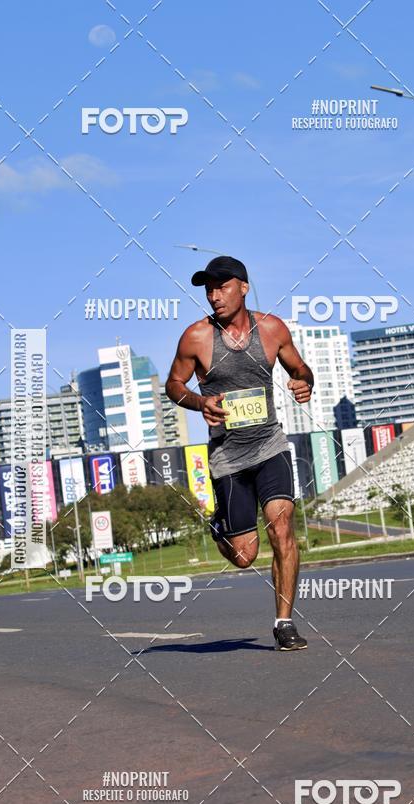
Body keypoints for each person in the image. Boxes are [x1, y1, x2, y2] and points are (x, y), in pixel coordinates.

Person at [165, 256, 314, 650]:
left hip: (269, 445)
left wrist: (304, 383)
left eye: (222, 287)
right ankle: (221, 526)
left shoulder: (272, 329)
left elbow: (300, 369)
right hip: (228, 457)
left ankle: (284, 623)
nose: (214, 296)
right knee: (245, 555)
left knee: (282, 527)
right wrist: (200, 402)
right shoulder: (196, 337)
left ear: (244, 287)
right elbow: (174, 385)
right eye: (208, 289)